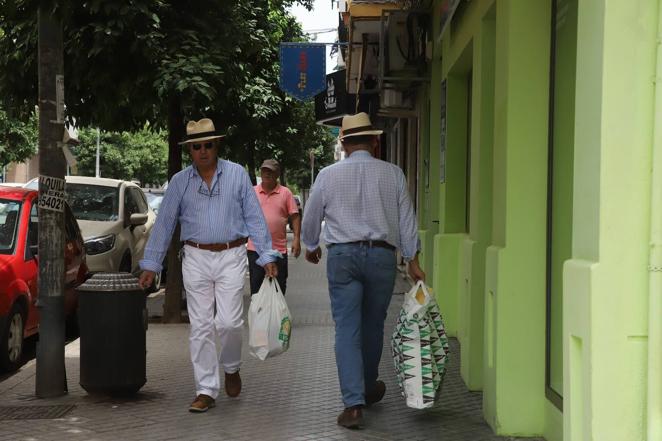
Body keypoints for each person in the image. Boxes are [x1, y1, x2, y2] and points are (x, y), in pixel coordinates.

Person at [138, 118, 278, 413]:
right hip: (195, 257)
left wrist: (266, 256)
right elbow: (164, 224)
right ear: (190, 149)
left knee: (228, 323)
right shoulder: (179, 182)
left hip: (232, 254)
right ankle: (205, 389)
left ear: (217, 145)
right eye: (196, 146)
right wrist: (151, 264)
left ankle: (231, 367)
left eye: (208, 145)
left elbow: (254, 216)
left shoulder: (238, 174)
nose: (202, 151)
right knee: (200, 326)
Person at [301, 112, 425, 430]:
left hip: (342, 256)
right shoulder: (393, 173)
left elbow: (312, 213)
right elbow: (407, 217)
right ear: (374, 140)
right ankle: (368, 386)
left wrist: (311, 244)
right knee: (372, 327)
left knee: (346, 329)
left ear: (342, 143)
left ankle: (354, 404)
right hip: (382, 258)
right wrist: (412, 259)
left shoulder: (327, 175)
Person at [247, 159, 301, 295]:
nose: (267, 174)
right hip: (256, 250)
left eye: (270, 171)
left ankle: (276, 317)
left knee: (278, 289)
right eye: (264, 170)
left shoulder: (285, 193)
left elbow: (294, 216)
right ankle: (258, 316)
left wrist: (296, 239)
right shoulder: (251, 192)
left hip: (278, 250)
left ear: (277, 174)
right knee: (257, 289)